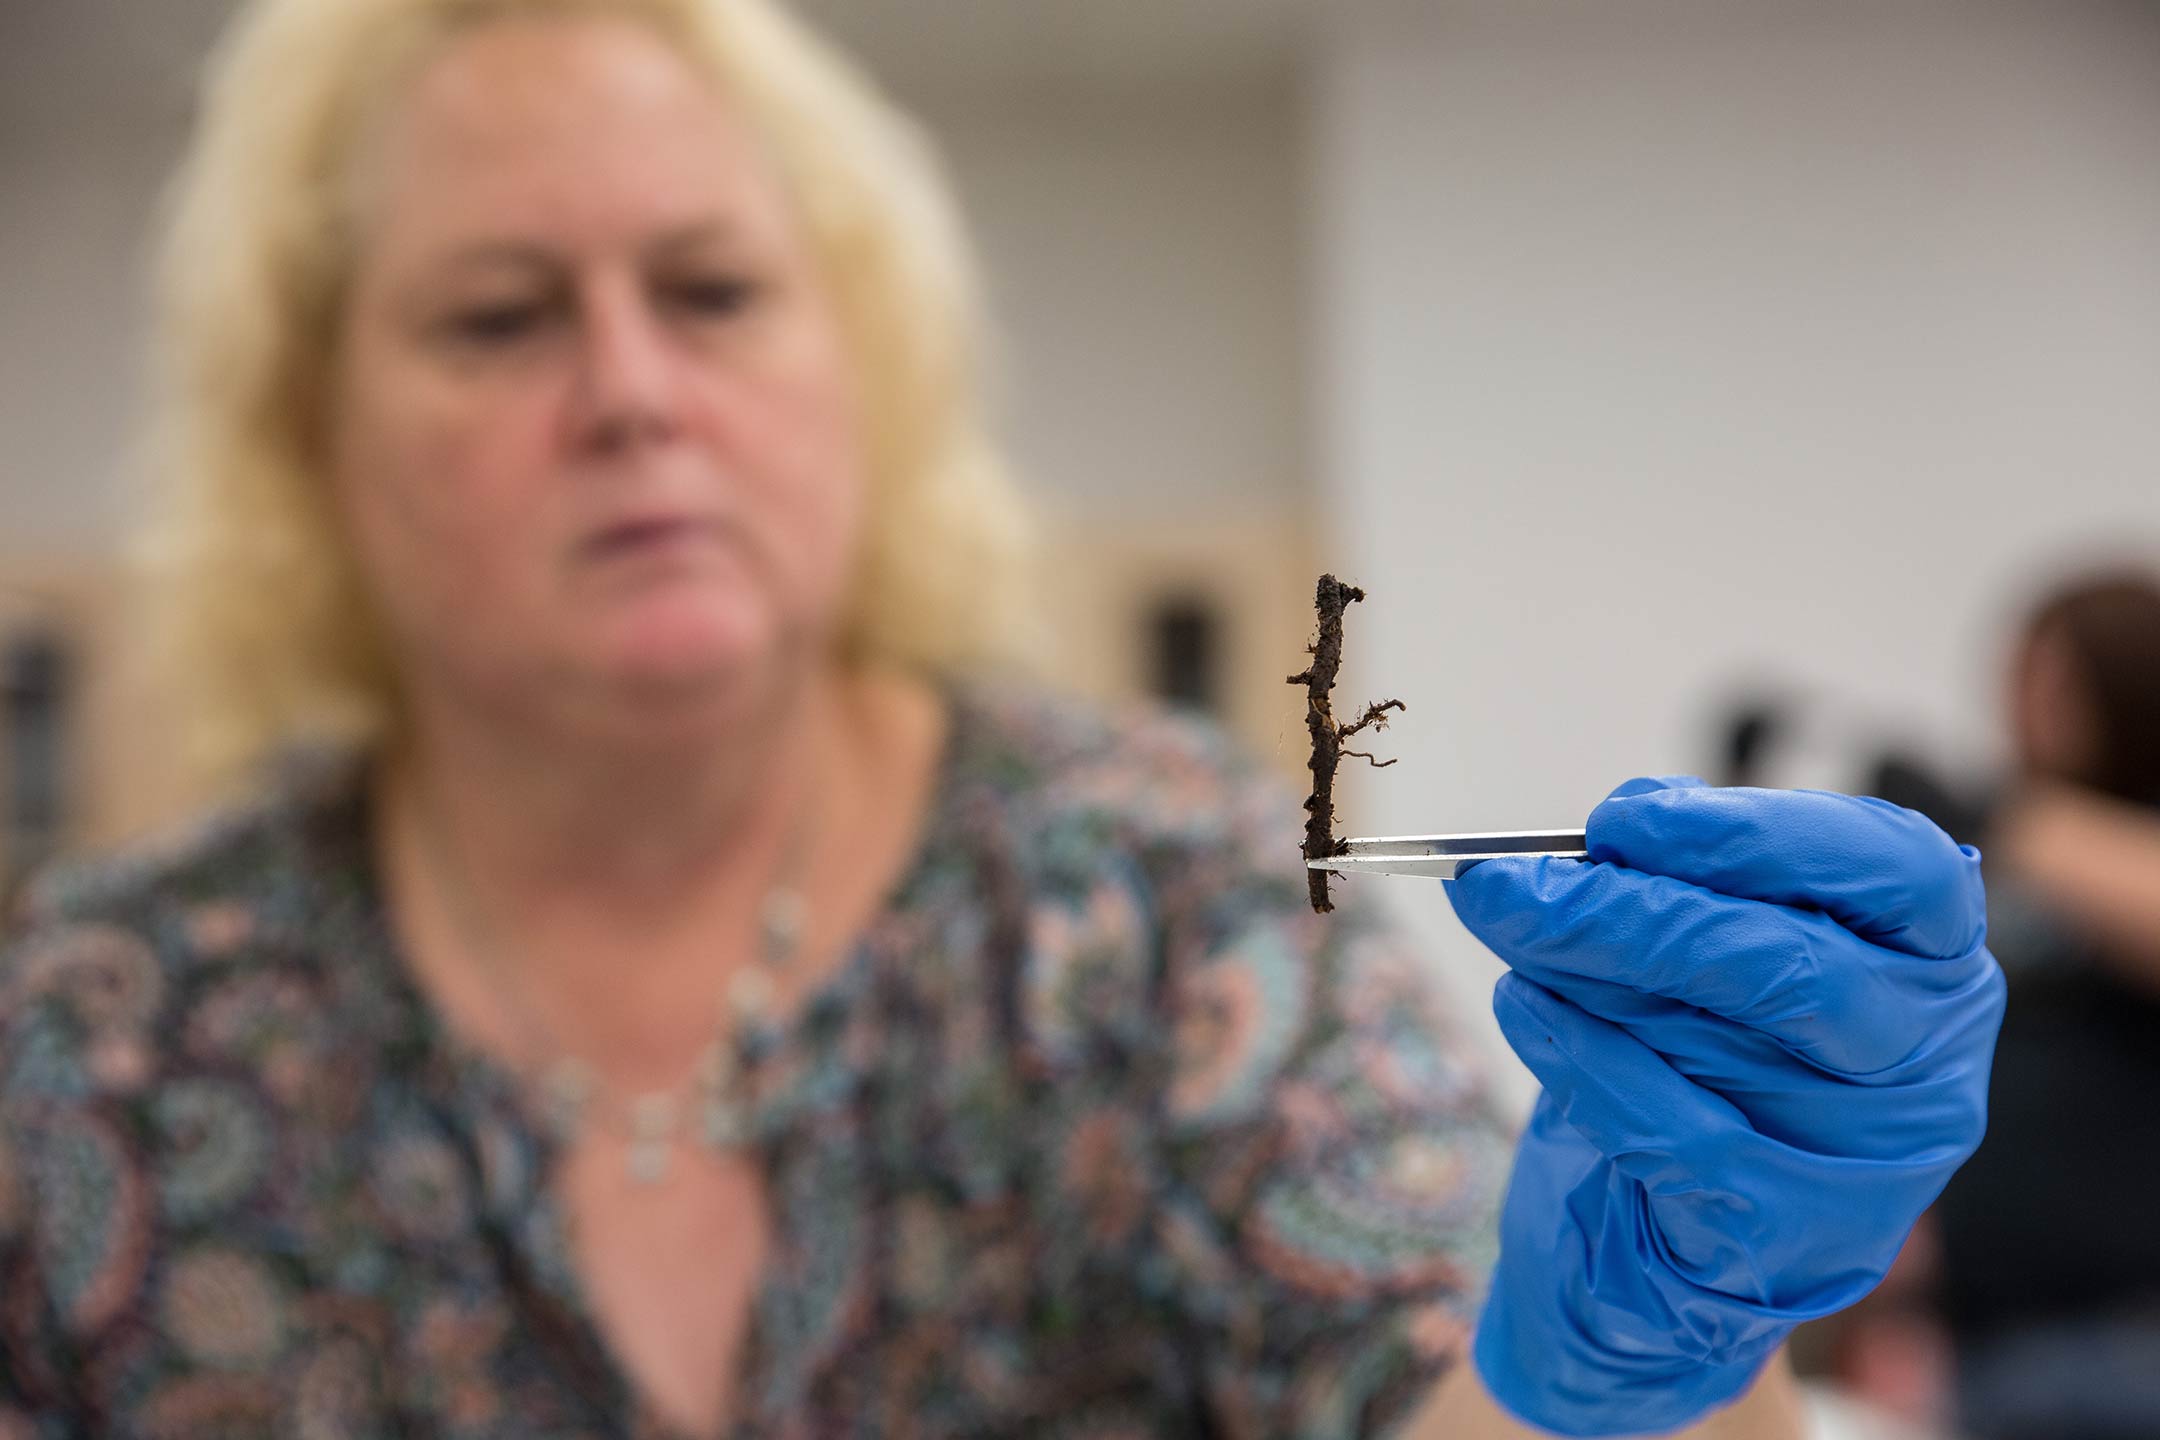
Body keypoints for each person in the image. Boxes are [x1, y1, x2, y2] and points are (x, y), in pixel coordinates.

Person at [0, 1, 2004, 1436]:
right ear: (311, 438)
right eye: (498, 317)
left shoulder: (1148, 897)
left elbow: (1432, 1387)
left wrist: (1661, 1359)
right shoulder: (101, 1035)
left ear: (856, 362)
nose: (628, 393)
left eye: (709, 289)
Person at [1926, 571, 2160, 1439]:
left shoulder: (2092, 839)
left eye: (2060, 681)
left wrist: (2004, 819)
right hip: (1990, 1345)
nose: (2026, 706)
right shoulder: (2018, 857)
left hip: (2129, 1336)